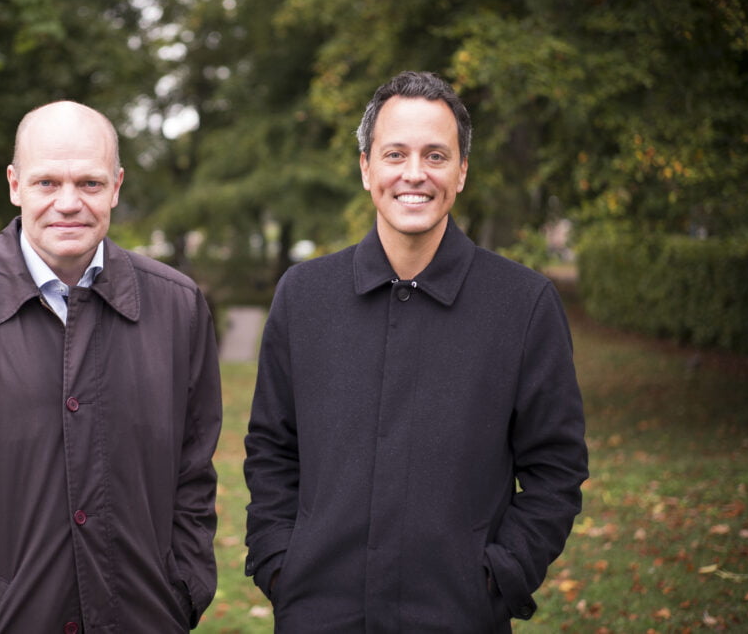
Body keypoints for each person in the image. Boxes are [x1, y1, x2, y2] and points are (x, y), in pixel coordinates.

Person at [0, 101, 222, 633]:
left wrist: (183, 588)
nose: (68, 203)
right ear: (14, 184)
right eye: (47, 182)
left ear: (116, 186)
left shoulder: (178, 307)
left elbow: (194, 469)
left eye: (90, 184)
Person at [243, 71, 588, 632]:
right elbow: (272, 449)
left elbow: (557, 469)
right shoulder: (303, 296)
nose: (414, 174)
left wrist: (498, 578)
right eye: (395, 153)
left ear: (462, 171)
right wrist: (281, 564)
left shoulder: (524, 304)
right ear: (365, 168)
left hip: (458, 616)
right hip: (317, 614)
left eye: (435, 155)